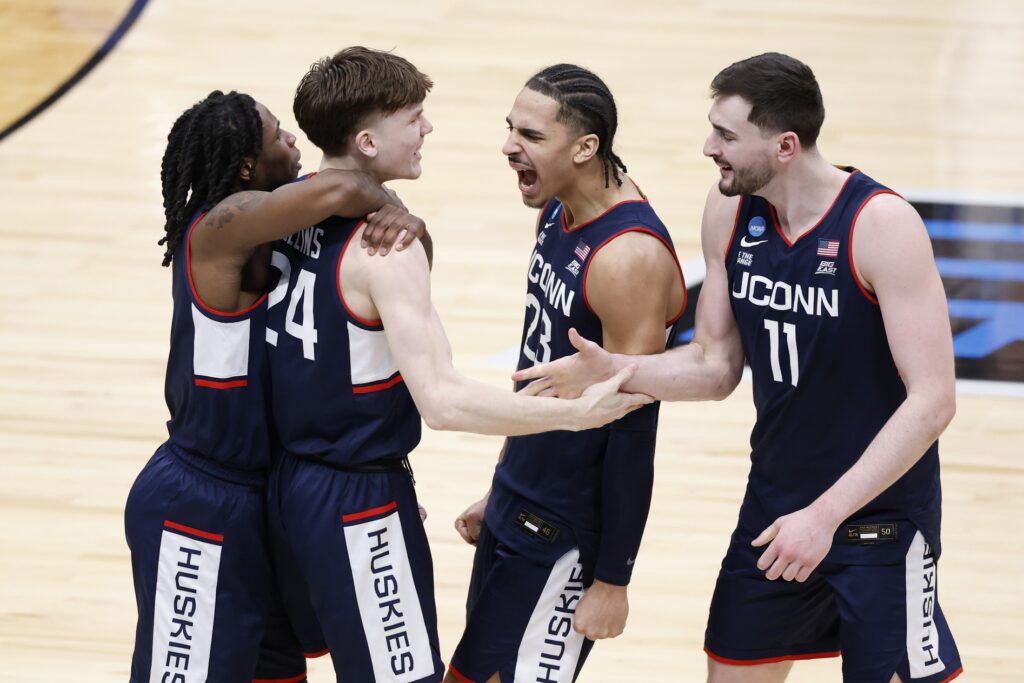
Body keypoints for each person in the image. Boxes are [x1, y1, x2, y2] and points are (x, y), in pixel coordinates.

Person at [514, 52, 963, 683]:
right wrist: (617, 370)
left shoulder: (882, 225)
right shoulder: (729, 212)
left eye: (726, 136)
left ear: (784, 145)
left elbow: (933, 401)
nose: (708, 148)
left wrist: (826, 516)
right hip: (776, 507)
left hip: (879, 518)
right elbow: (716, 367)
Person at [262, 47, 649, 683]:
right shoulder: (386, 246)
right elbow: (442, 402)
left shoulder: (277, 210)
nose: (428, 128)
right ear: (366, 139)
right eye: (414, 117)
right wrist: (578, 414)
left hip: (283, 484)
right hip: (356, 493)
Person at [124, 89, 423, 683]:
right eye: (279, 137)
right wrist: (396, 206)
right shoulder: (217, 230)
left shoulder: (280, 232)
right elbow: (340, 186)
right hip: (199, 495)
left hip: (270, 495)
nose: (293, 144)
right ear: (245, 169)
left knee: (277, 672)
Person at [445, 64, 686, 683]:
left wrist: (612, 580)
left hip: (566, 528)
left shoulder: (627, 257)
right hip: (523, 496)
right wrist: (503, 482)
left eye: (529, 135)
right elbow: (537, 371)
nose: (508, 147)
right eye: (509, 129)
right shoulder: (556, 211)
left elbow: (635, 427)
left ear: (585, 148)